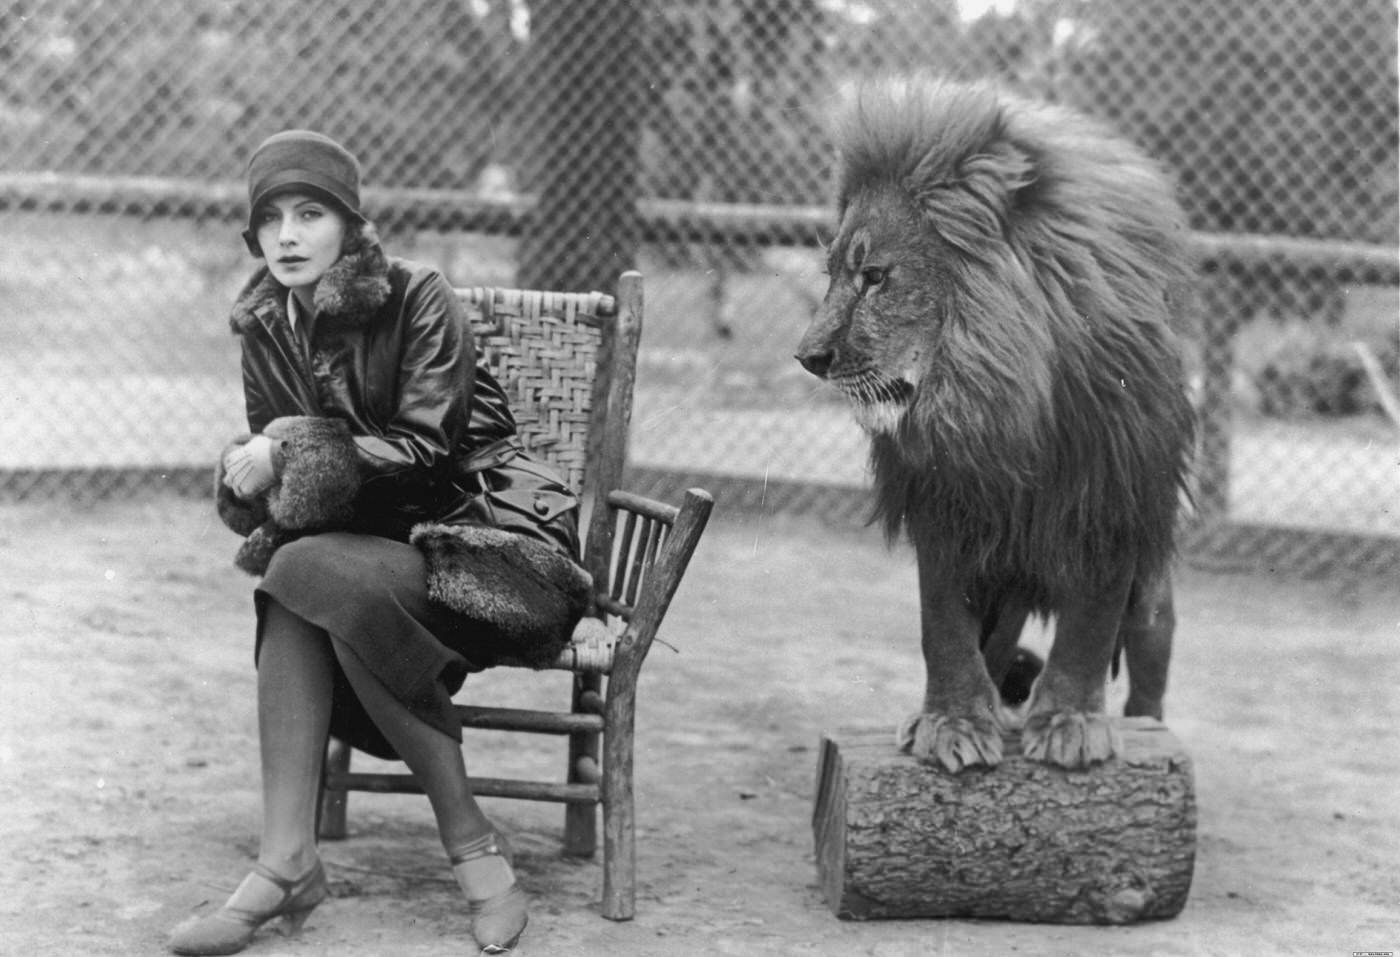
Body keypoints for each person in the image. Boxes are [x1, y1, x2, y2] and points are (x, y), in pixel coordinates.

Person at [169, 130, 591, 956]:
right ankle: (321, 856)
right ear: (252, 236)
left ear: (351, 226)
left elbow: (427, 451)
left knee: (313, 575)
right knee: (304, 569)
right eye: (270, 219)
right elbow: (297, 491)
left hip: (485, 543)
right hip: (365, 558)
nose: (287, 236)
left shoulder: (417, 295)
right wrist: (255, 474)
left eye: (310, 213)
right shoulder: (264, 325)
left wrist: (288, 453)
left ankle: (384, 849)